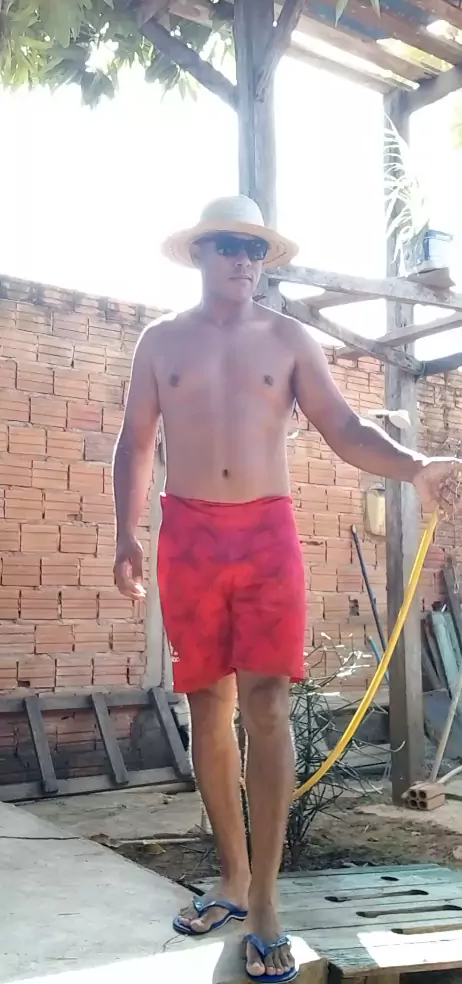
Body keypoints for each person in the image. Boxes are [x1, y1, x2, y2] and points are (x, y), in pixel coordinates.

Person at [113, 195, 462, 982]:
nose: (244, 260)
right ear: (200, 253)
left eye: (255, 249)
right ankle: (231, 878)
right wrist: (126, 532)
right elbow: (134, 443)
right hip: (189, 534)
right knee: (209, 705)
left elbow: (344, 428)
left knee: (267, 704)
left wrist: (416, 468)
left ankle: (267, 901)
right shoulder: (160, 341)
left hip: (266, 535)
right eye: (229, 246)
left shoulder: (288, 338)